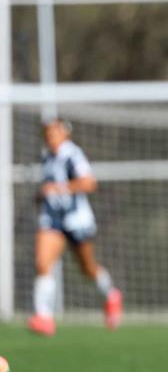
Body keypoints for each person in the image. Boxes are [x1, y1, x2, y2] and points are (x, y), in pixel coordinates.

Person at [28, 118, 123, 336]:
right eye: (47, 132)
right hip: (52, 220)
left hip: (76, 221)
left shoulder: (72, 155)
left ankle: (111, 296)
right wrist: (42, 195)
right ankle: (43, 317)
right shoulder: (47, 157)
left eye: (54, 132)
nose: (49, 136)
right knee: (43, 264)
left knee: (87, 269)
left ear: (64, 133)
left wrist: (58, 188)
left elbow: (89, 183)